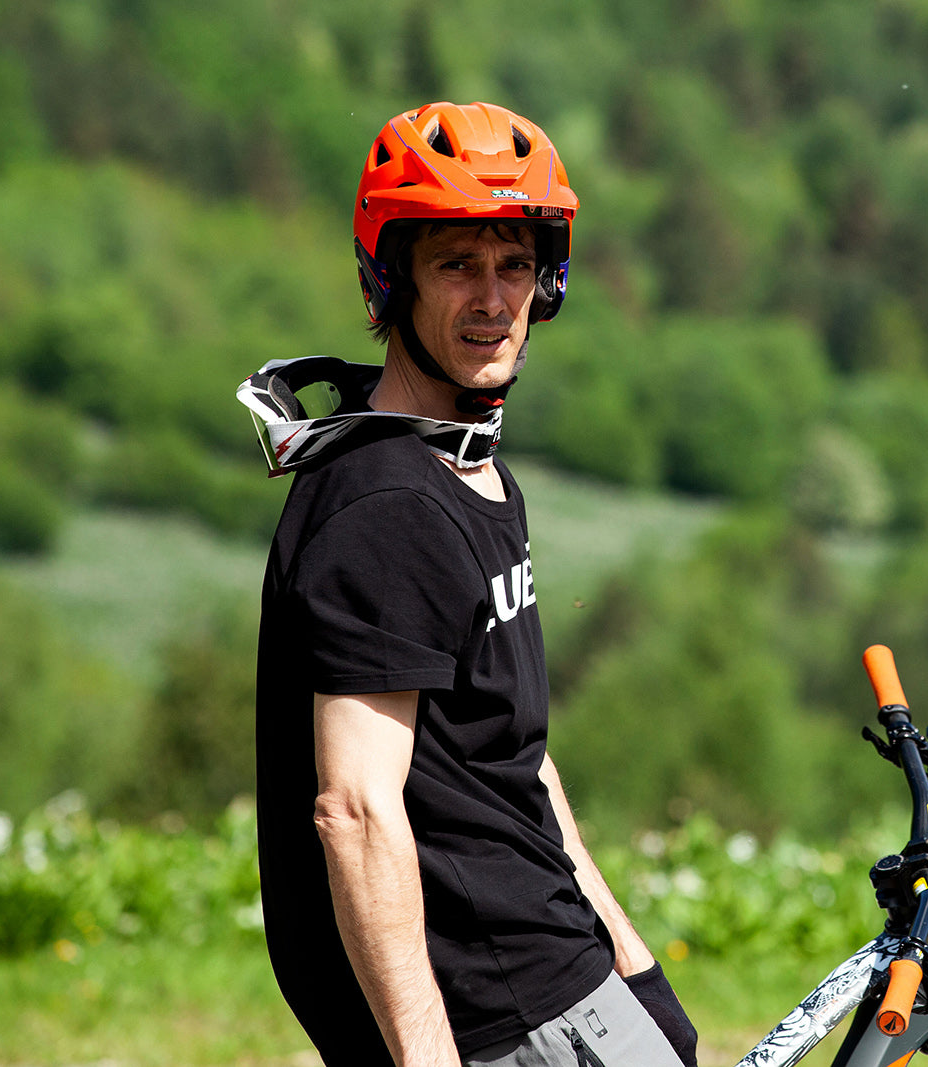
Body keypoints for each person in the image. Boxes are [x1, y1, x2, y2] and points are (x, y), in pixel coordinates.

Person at [238, 102, 699, 1067]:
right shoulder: (384, 506)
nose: (493, 299)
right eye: (457, 265)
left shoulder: (468, 467)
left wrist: (630, 957)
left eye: (515, 264)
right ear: (389, 281)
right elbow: (353, 810)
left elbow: (515, 757)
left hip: (562, 968)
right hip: (491, 1013)